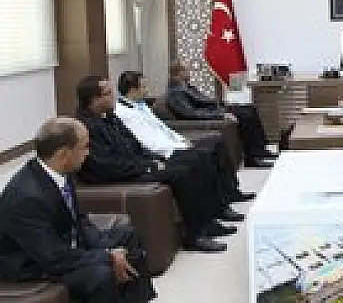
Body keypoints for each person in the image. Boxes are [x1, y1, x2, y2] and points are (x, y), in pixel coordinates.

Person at [0, 117, 156, 303]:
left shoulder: (59, 172)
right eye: (85, 147)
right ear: (64, 154)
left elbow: (78, 219)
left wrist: (107, 248)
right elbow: (52, 257)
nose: (88, 153)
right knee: (100, 274)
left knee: (128, 237)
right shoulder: (27, 197)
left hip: (66, 245)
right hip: (34, 264)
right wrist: (107, 256)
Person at [75, 76, 229, 253]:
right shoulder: (86, 127)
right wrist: (147, 166)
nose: (114, 97)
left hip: (135, 165)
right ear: (94, 99)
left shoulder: (110, 116)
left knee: (196, 161)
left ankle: (207, 222)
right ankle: (194, 236)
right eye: (108, 93)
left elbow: (135, 144)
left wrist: (153, 159)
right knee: (182, 173)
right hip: (118, 175)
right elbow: (105, 166)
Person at [116, 71, 255, 203]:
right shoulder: (124, 113)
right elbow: (148, 142)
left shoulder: (141, 105)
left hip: (174, 143)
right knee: (204, 155)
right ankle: (218, 203)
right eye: (143, 87)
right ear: (132, 90)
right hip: (165, 152)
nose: (147, 90)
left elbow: (163, 128)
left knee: (217, 142)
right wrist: (180, 146)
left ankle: (231, 191)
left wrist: (182, 140)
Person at [166, 63, 276, 168]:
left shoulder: (187, 87)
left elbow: (205, 101)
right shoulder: (175, 92)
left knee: (250, 109)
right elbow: (190, 113)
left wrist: (224, 105)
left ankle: (260, 150)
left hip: (216, 109)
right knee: (245, 115)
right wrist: (220, 115)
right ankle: (252, 158)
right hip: (210, 115)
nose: (189, 72)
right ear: (178, 73)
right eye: (186, 70)